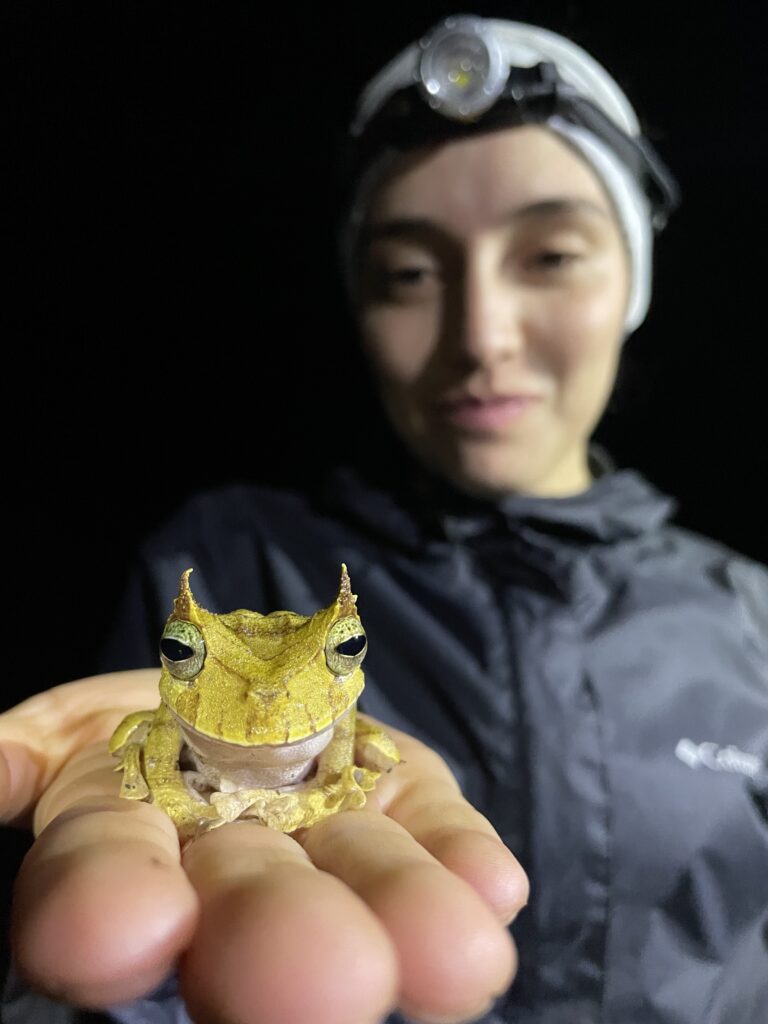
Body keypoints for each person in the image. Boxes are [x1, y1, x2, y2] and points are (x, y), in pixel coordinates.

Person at [2, 13, 767, 1024]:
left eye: (551, 256)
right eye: (409, 273)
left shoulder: (749, 618)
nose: (481, 337)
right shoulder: (230, 556)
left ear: (633, 279)